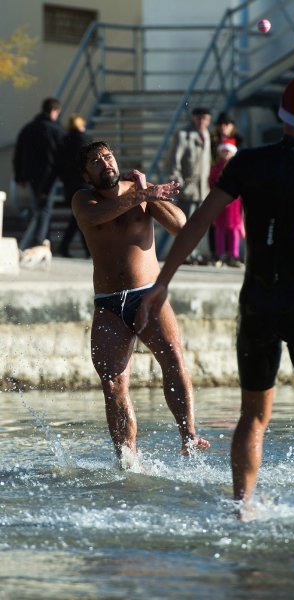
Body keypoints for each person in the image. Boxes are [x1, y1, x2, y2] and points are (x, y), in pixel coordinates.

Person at [136, 74, 294, 523]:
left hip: (257, 302)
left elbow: (200, 221)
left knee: (253, 416)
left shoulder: (247, 162)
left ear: (279, 114)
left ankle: (242, 505)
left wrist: (163, 280)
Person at [72, 141, 209, 466]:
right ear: (86, 174)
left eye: (107, 156)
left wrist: (147, 193)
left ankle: (188, 437)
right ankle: (127, 456)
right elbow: (98, 216)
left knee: (174, 360)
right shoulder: (84, 200)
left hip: (148, 293)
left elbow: (181, 227)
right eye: (94, 160)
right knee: (113, 382)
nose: (103, 162)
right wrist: (141, 195)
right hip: (108, 304)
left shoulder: (140, 191)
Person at [13, 97, 64, 250]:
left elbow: (18, 153)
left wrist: (19, 176)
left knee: (39, 207)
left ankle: (42, 240)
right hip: (49, 175)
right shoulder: (57, 131)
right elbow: (61, 155)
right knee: (45, 209)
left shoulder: (28, 128)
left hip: (31, 175)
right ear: (54, 111)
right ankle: (40, 241)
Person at [167, 107, 212, 264]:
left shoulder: (206, 135)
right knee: (184, 224)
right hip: (188, 188)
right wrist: (179, 184)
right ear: (193, 118)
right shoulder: (183, 135)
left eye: (205, 119)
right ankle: (184, 254)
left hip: (202, 189)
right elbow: (174, 162)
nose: (202, 122)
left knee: (199, 223)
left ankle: (195, 253)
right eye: (199, 118)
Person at [57, 114, 92, 258]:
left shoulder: (64, 140)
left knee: (78, 217)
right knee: (81, 216)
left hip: (69, 184)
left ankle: (69, 247)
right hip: (82, 183)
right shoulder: (84, 140)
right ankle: (86, 250)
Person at [209, 139, 244, 267]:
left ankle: (234, 255)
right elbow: (211, 182)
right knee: (220, 229)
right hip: (219, 203)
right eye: (224, 151)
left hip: (234, 205)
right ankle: (220, 255)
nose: (226, 154)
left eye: (228, 151)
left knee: (233, 230)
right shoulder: (216, 168)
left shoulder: (237, 167)